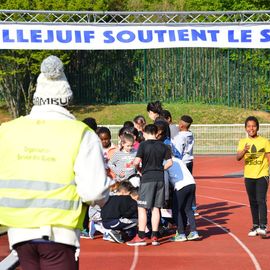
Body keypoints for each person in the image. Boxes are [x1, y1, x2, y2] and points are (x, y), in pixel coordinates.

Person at [0, 55, 109, 270]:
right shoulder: (81, 134)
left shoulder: (7, 131)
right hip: (60, 233)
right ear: (67, 98)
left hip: (18, 232)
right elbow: (93, 192)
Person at [126, 124, 173, 246]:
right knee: (156, 208)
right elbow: (170, 162)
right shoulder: (164, 146)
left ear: (145, 133)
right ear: (156, 133)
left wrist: (139, 169)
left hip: (147, 179)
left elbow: (136, 161)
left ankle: (141, 236)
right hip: (160, 179)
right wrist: (161, 169)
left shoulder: (143, 145)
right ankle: (155, 236)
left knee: (142, 207)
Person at [236, 116, 270, 237]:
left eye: (254, 126)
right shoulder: (242, 142)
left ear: (258, 127)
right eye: (249, 126)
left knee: (261, 200)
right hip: (249, 175)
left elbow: (268, 156)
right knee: (253, 201)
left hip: (262, 174)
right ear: (245, 128)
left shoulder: (264, 141)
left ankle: (263, 226)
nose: (251, 128)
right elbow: (238, 157)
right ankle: (255, 226)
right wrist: (244, 150)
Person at [168, 158, 199, 241]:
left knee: (176, 210)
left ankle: (181, 233)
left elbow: (166, 178)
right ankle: (194, 231)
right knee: (188, 209)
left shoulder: (166, 162)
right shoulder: (178, 160)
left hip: (181, 186)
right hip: (191, 183)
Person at [172, 115, 198, 216]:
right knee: (190, 183)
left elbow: (178, 151)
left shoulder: (180, 137)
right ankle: (193, 207)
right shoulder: (190, 134)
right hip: (190, 160)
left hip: (183, 162)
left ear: (182, 125)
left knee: (182, 185)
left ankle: (184, 207)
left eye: (179, 123)